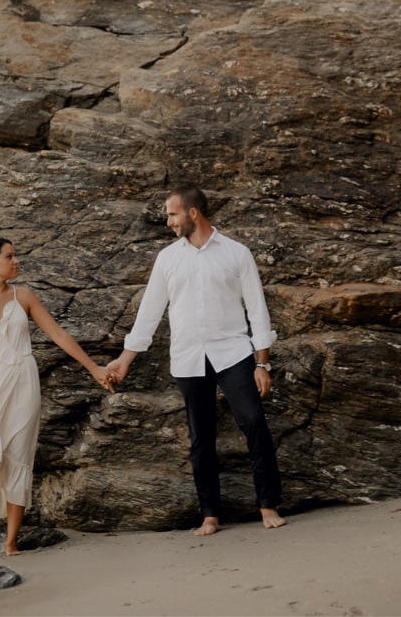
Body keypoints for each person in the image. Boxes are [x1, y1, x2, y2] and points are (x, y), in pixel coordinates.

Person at [105, 186, 287, 535]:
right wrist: (125, 360)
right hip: (189, 357)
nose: (168, 221)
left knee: (252, 421)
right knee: (200, 437)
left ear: (192, 214)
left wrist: (262, 363)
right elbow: (149, 313)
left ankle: (267, 504)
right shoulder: (168, 258)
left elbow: (257, 310)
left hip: (233, 352)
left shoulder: (237, 253)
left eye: (172, 214)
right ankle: (210, 514)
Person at [0, 236, 114, 556]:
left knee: (18, 456)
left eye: (16, 256)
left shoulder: (24, 297)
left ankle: (11, 542)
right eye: (10, 256)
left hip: (21, 383)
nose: (16, 262)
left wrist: (93, 368)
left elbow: (58, 334)